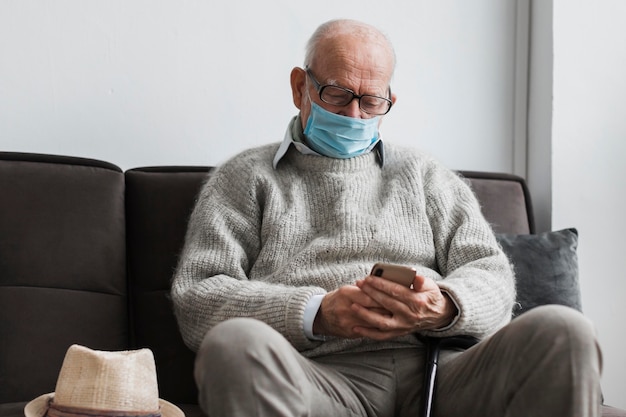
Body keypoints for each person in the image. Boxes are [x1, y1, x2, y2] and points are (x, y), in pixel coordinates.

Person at [171, 19, 602, 417]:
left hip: (443, 373)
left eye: (371, 100)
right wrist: (317, 313)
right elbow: (199, 297)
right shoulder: (245, 177)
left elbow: (491, 271)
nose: (354, 114)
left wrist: (444, 305)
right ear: (300, 86)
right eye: (337, 94)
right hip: (318, 378)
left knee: (564, 329)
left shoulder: (425, 175)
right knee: (233, 345)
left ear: (390, 100)